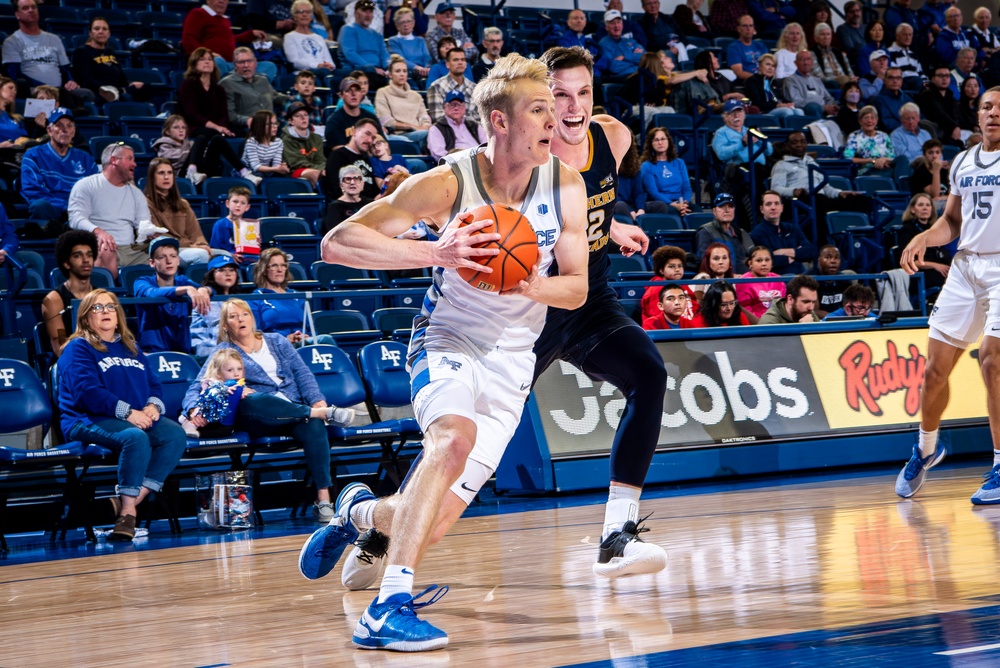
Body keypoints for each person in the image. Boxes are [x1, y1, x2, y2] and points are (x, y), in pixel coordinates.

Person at [299, 53, 591, 651]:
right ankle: (388, 609)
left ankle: (357, 514)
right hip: (448, 337)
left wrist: (528, 282)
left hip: (514, 362)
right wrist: (438, 254)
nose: (556, 118)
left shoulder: (564, 183)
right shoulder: (448, 182)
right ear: (500, 122)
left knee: (424, 524)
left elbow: (578, 286)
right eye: (540, 108)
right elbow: (337, 242)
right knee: (451, 441)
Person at [892, 88, 1000, 502]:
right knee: (934, 371)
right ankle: (925, 448)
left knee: (992, 359)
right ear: (977, 114)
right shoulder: (965, 160)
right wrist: (923, 236)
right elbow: (951, 220)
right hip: (966, 268)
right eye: (987, 107)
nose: (993, 113)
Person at [183, 298, 354, 517]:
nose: (240, 319)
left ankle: (323, 500)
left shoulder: (277, 341)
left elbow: (303, 374)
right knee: (252, 398)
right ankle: (322, 414)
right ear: (226, 325)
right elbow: (197, 385)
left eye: (244, 314)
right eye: (233, 317)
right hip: (259, 417)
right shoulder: (224, 350)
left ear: (252, 318)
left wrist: (316, 399)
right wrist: (192, 409)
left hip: (291, 410)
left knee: (314, 426)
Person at [58, 289, 187, 541]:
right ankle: (128, 514)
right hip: (85, 419)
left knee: (174, 434)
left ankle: (127, 501)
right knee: (135, 437)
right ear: (85, 317)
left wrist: (153, 407)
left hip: (132, 416)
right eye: (97, 308)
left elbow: (154, 385)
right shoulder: (78, 348)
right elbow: (86, 393)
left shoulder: (131, 348)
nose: (105, 312)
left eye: (110, 307)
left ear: (118, 315)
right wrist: (128, 413)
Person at [178, 48, 262, 183]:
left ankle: (244, 171)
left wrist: (223, 128)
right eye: (202, 59)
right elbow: (191, 114)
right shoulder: (188, 85)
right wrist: (217, 127)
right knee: (208, 134)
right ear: (194, 64)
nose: (207, 62)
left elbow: (224, 114)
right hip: (196, 127)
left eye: (209, 59)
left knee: (238, 134)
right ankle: (192, 171)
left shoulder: (218, 89)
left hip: (216, 130)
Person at [67, 142, 150, 276]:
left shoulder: (136, 193)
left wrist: (150, 233)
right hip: (99, 245)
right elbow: (76, 218)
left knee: (163, 251)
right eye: (129, 159)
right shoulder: (86, 185)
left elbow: (143, 225)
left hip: (131, 249)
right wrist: (99, 232)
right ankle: (106, 293)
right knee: (106, 248)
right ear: (113, 160)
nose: (134, 164)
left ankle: (154, 294)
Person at [2, 0, 89, 109]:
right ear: (17, 15)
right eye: (25, 8)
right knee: (23, 85)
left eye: (33, 7)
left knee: (86, 93)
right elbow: (14, 74)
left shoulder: (54, 39)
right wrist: (46, 87)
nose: (30, 10)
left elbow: (65, 68)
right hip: (33, 89)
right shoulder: (12, 41)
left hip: (60, 89)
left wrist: (70, 81)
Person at [20, 107, 97, 229]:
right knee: (40, 206)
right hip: (51, 209)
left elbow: (95, 190)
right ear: (49, 130)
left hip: (79, 210)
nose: (65, 130)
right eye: (59, 125)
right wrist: (64, 207)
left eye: (69, 126)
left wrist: (76, 209)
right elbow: (33, 191)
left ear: (74, 131)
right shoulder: (33, 155)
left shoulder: (85, 158)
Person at [133, 236, 213, 354]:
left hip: (183, 353)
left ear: (178, 260)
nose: (169, 261)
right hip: (152, 353)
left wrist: (205, 290)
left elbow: (212, 290)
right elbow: (152, 293)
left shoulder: (183, 281)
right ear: (152, 263)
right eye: (162, 257)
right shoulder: (142, 282)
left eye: (173, 256)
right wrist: (186, 289)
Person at [250, 247, 334, 345]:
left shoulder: (297, 296)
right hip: (277, 345)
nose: (280, 270)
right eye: (274, 266)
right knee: (325, 340)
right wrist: (285, 338)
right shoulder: (255, 299)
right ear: (264, 270)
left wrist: (307, 336)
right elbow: (255, 334)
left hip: (303, 342)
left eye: (283, 265)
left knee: (325, 341)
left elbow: (311, 327)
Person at [144, 158, 213, 268]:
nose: (166, 177)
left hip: (188, 247)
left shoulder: (183, 204)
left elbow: (196, 233)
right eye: (161, 173)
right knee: (201, 255)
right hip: (166, 251)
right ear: (152, 177)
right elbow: (159, 236)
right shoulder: (146, 204)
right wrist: (191, 246)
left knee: (225, 256)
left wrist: (201, 245)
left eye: (170, 173)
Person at [70, 17, 151, 105]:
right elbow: (87, 80)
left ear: (109, 33)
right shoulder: (82, 52)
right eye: (97, 29)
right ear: (90, 33)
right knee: (116, 96)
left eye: (104, 29)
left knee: (146, 88)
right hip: (99, 90)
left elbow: (121, 77)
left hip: (117, 89)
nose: (101, 31)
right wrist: (109, 89)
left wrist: (130, 84)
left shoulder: (110, 51)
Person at [41, 229, 97, 356]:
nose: (86, 260)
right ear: (66, 263)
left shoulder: (101, 296)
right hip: (74, 361)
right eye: (78, 255)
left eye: (89, 255)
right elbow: (59, 348)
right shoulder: (53, 300)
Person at [181, 0, 268, 71]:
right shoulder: (197, 14)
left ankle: (241, 84)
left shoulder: (224, 20)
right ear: (208, 0)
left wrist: (250, 34)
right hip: (213, 62)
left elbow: (229, 39)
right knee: (217, 61)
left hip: (232, 64)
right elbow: (188, 40)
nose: (221, 1)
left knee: (269, 66)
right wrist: (207, 55)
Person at [894, 191, 951, 296]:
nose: (925, 208)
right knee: (948, 281)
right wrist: (935, 266)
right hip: (918, 274)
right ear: (912, 209)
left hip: (938, 271)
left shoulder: (934, 230)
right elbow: (909, 261)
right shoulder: (907, 230)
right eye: (920, 205)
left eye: (928, 205)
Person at [191, 253, 246, 360]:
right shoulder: (205, 299)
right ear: (211, 274)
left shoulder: (240, 300)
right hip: (210, 353)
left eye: (231, 270)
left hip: (235, 352)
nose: (228, 274)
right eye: (221, 270)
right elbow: (217, 331)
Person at [749, 188, 815, 274]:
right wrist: (796, 253)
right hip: (777, 277)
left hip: (800, 274)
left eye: (776, 204)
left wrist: (782, 252)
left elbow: (809, 251)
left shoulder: (793, 229)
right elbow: (770, 260)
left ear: (782, 208)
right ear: (762, 209)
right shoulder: (757, 233)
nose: (773, 207)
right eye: (768, 204)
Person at [220, 47, 286, 131]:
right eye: (241, 62)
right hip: (249, 128)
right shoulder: (227, 84)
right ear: (235, 65)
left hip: (273, 127)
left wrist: (294, 98)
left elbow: (275, 96)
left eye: (249, 61)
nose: (246, 65)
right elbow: (230, 116)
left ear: (255, 63)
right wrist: (249, 120)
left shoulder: (263, 80)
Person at [375, 55, 432, 146]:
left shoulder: (416, 96)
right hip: (399, 134)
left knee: (433, 133)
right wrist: (412, 126)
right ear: (390, 74)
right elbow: (385, 121)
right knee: (427, 135)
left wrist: (426, 126)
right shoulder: (383, 93)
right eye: (398, 71)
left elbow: (424, 116)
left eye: (404, 71)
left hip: (420, 132)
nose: (402, 74)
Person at [639, 126, 693, 215]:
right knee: (672, 211)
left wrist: (685, 204)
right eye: (656, 140)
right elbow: (653, 192)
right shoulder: (647, 166)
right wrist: (673, 204)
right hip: (662, 203)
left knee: (696, 211)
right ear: (651, 144)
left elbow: (687, 188)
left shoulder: (679, 163)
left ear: (668, 141)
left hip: (681, 202)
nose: (660, 142)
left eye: (663, 139)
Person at [324, 117, 381, 199]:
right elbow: (338, 191)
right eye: (367, 134)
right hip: (349, 208)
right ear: (354, 132)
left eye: (373, 138)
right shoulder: (337, 156)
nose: (369, 140)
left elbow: (375, 191)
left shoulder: (368, 159)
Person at [339, 0, 391, 86]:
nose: (368, 15)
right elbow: (350, 54)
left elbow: (384, 55)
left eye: (370, 11)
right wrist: (372, 68)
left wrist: (390, 68)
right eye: (364, 11)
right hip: (357, 70)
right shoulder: (348, 29)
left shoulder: (377, 34)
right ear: (356, 14)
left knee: (398, 74)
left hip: (377, 71)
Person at [694, 192, 753, 269]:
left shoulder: (741, 233)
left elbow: (755, 256)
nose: (727, 210)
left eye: (730, 206)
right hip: (722, 279)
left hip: (746, 279)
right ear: (714, 211)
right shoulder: (706, 232)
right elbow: (705, 263)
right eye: (722, 207)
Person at [426, 89, 486, 162]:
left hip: (480, 161)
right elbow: (439, 155)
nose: (456, 108)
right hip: (456, 164)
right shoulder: (437, 128)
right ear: (444, 108)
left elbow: (487, 145)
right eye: (452, 105)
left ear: (464, 108)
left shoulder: (475, 125)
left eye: (460, 104)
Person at [325, 76, 384, 148]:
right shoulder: (334, 121)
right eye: (348, 90)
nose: (353, 94)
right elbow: (339, 152)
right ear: (341, 95)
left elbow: (385, 146)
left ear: (361, 94)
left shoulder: (371, 117)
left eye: (357, 90)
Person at [641, 245, 691, 321]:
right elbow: (657, 320)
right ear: (661, 270)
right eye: (671, 266)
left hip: (690, 329)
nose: (677, 269)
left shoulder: (684, 285)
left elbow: (695, 309)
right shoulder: (655, 289)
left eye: (680, 266)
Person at [918, 66, 964, 148]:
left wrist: (956, 126)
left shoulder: (950, 96)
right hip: (936, 132)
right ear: (933, 78)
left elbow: (956, 115)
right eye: (940, 76)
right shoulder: (927, 95)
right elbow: (939, 114)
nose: (944, 79)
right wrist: (954, 127)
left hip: (951, 132)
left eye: (947, 76)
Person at [843, 105, 897, 175]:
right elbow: (848, 158)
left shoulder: (884, 136)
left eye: (872, 118)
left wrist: (883, 160)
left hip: (886, 168)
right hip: (867, 171)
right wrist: (872, 161)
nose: (869, 121)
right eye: (866, 118)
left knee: (902, 159)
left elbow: (892, 156)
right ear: (860, 121)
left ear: (877, 120)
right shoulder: (854, 136)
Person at [745, 53, 802, 119]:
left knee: (799, 111)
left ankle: (797, 130)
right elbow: (757, 103)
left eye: (773, 66)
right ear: (759, 66)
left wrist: (788, 103)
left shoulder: (774, 82)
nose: (770, 68)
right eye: (767, 64)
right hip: (764, 111)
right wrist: (777, 105)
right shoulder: (752, 81)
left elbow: (780, 98)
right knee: (787, 112)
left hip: (776, 108)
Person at [283, 0, 336, 71]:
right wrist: (317, 65)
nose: (304, 15)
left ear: (311, 16)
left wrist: (330, 66)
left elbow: (330, 61)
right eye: (301, 12)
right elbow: (294, 61)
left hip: (324, 71)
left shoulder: (319, 38)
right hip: (305, 73)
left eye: (308, 12)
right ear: (294, 16)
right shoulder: (289, 37)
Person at [210, 186, 259, 264]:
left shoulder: (250, 226)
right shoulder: (220, 225)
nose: (238, 205)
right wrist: (230, 255)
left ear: (247, 207)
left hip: (247, 258)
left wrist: (256, 243)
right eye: (235, 202)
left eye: (243, 203)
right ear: (227, 203)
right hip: (227, 260)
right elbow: (214, 250)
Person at [281, 101, 325, 187]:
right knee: (314, 174)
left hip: (316, 168)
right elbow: (297, 163)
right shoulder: (286, 140)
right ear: (291, 121)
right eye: (298, 116)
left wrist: (324, 169)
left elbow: (320, 159)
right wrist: (320, 170)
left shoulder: (317, 138)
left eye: (305, 115)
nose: (303, 118)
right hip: (294, 171)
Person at [782, 50, 838, 117]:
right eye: (802, 60)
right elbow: (796, 102)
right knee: (813, 107)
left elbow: (828, 98)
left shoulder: (817, 80)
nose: (805, 63)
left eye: (808, 59)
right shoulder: (790, 80)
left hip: (823, 111)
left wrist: (831, 107)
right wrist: (823, 107)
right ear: (795, 63)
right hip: (807, 111)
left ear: (812, 62)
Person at [735, 245, 785, 317]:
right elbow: (745, 310)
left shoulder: (778, 279)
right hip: (755, 323)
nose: (764, 264)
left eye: (767, 260)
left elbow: (783, 305)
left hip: (778, 319)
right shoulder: (743, 281)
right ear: (750, 263)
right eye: (759, 260)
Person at [323, 164, 373, 233]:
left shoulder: (370, 204)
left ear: (362, 184)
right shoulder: (335, 207)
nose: (352, 183)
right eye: (348, 179)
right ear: (341, 185)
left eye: (357, 178)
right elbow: (335, 234)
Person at [809, 243, 855, 316]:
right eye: (828, 257)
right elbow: (813, 311)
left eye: (836, 258)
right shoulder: (809, 279)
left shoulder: (844, 280)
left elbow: (849, 307)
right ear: (819, 261)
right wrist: (833, 317)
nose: (833, 261)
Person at [681, 279, 751, 327]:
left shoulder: (740, 317)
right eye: (723, 305)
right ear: (713, 304)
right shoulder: (698, 322)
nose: (729, 308)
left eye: (732, 303)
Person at [243, 110, 289, 180]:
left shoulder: (278, 142)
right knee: (259, 175)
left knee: (282, 176)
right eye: (269, 124)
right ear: (259, 126)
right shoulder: (251, 142)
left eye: (275, 123)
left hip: (265, 171)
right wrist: (275, 168)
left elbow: (276, 164)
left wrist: (282, 168)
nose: (275, 127)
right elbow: (255, 166)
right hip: (248, 171)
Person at [599, 10, 645, 80]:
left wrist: (625, 58)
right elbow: (613, 67)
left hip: (638, 74)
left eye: (619, 22)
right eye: (612, 23)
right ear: (606, 27)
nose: (616, 26)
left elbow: (645, 58)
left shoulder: (630, 41)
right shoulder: (604, 44)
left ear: (622, 25)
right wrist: (636, 62)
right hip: (622, 78)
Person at [387, 7, 432, 79]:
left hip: (422, 73)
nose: (406, 24)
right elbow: (400, 60)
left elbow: (427, 58)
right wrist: (417, 68)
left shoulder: (420, 40)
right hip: (406, 73)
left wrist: (426, 68)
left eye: (408, 21)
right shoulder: (393, 40)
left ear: (413, 23)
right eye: (402, 22)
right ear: (397, 26)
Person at [909, 138, 950, 205]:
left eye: (937, 152)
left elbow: (954, 195)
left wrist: (942, 198)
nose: (934, 156)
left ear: (941, 155)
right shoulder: (920, 172)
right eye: (930, 153)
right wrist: (936, 170)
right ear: (924, 155)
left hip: (945, 202)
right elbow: (935, 195)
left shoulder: (944, 171)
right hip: (927, 205)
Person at [727, 15, 767, 81]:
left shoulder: (761, 46)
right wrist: (758, 78)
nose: (748, 29)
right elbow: (739, 72)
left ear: (754, 29)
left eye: (751, 26)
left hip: (764, 79)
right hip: (749, 81)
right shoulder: (733, 48)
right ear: (739, 29)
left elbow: (769, 64)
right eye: (745, 26)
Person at [870, 67, 912, 131]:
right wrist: (909, 125)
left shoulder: (907, 98)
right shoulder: (879, 100)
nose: (895, 81)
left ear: (901, 80)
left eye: (898, 78)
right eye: (891, 78)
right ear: (884, 80)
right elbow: (887, 123)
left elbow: (917, 115)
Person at [887, 22, 926, 91]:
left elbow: (920, 72)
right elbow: (894, 73)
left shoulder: (913, 54)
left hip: (917, 83)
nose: (908, 37)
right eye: (904, 34)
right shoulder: (890, 52)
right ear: (897, 36)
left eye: (910, 35)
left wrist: (926, 83)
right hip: (903, 83)